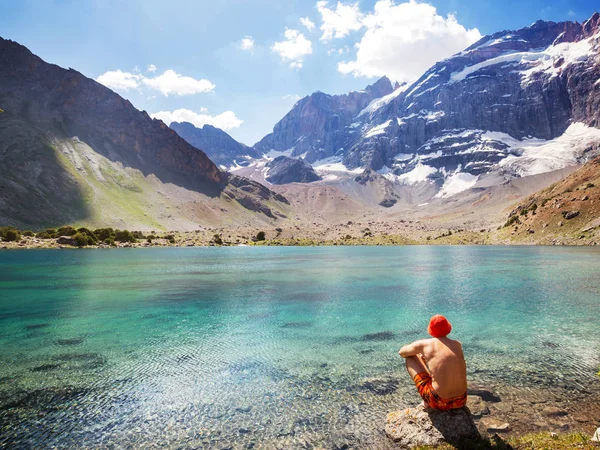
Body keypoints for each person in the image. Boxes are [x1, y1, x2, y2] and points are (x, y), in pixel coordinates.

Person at [398, 315, 467, 411]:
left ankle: (427, 402)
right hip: (461, 400)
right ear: (448, 329)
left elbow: (402, 352)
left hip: (439, 401)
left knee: (410, 357)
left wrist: (417, 352)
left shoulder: (425, 344)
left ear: (430, 330)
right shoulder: (457, 344)